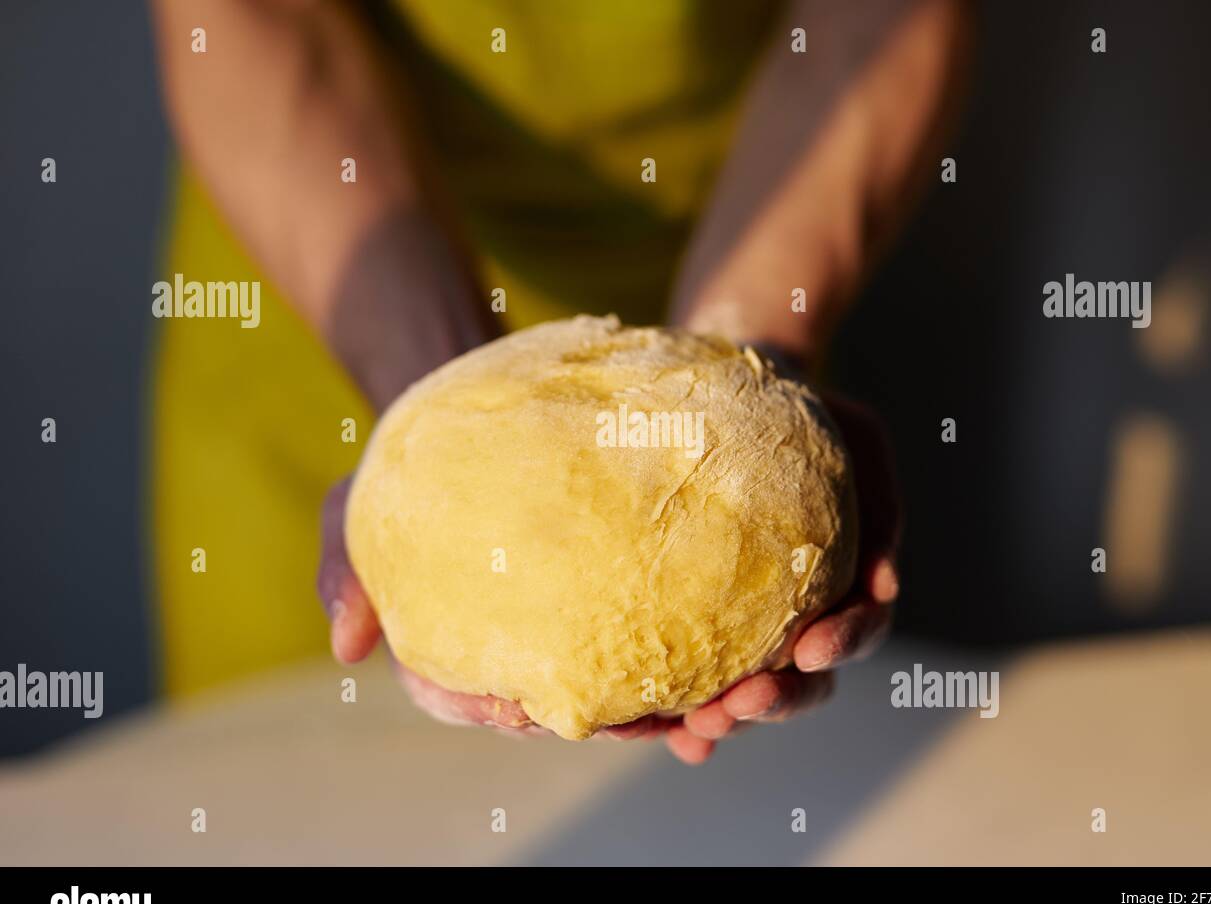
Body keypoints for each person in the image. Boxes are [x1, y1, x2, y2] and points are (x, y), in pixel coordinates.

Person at [148, 0, 968, 762]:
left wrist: (750, 338)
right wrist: (433, 407)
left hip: (762, 241)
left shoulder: (753, 394)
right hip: (337, 266)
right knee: (305, 805)